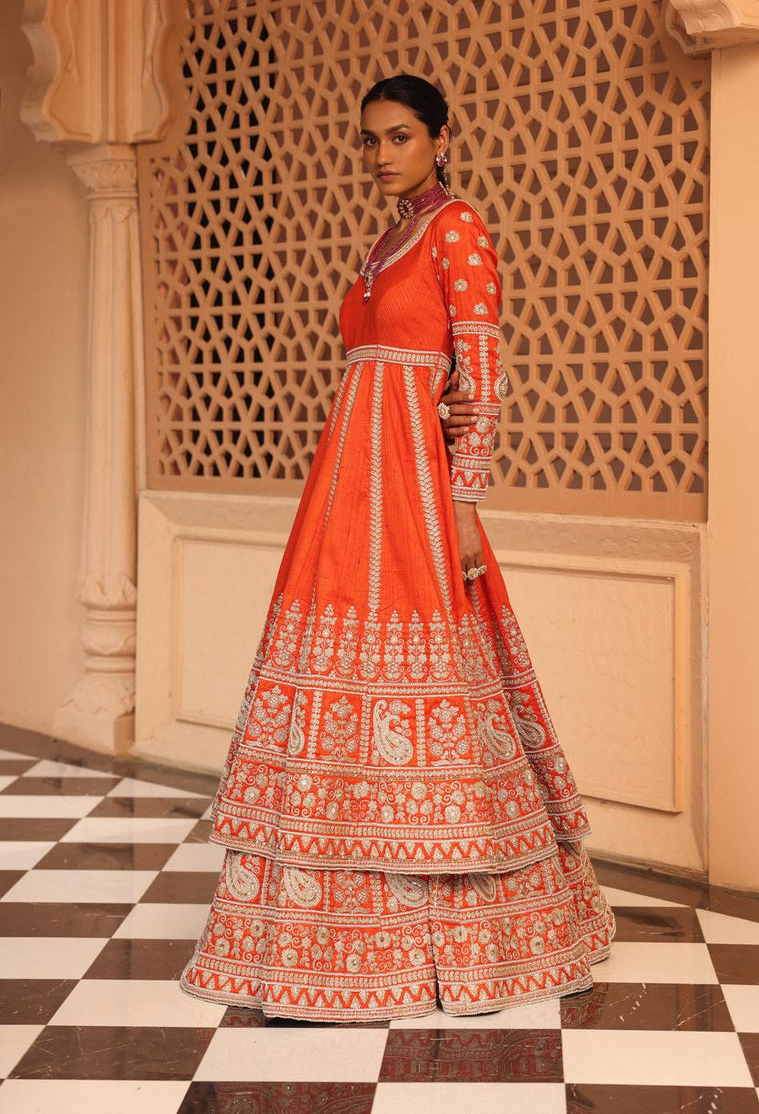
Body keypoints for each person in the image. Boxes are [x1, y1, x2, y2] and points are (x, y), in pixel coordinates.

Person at [179, 73, 616, 1022]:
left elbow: (483, 373)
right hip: (349, 481)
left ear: (441, 137)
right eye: (370, 139)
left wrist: (463, 505)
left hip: (415, 490)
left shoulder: (457, 227)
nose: (382, 154)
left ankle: (459, 926)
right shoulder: (386, 239)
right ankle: (323, 929)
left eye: (401, 137)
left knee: (438, 673)